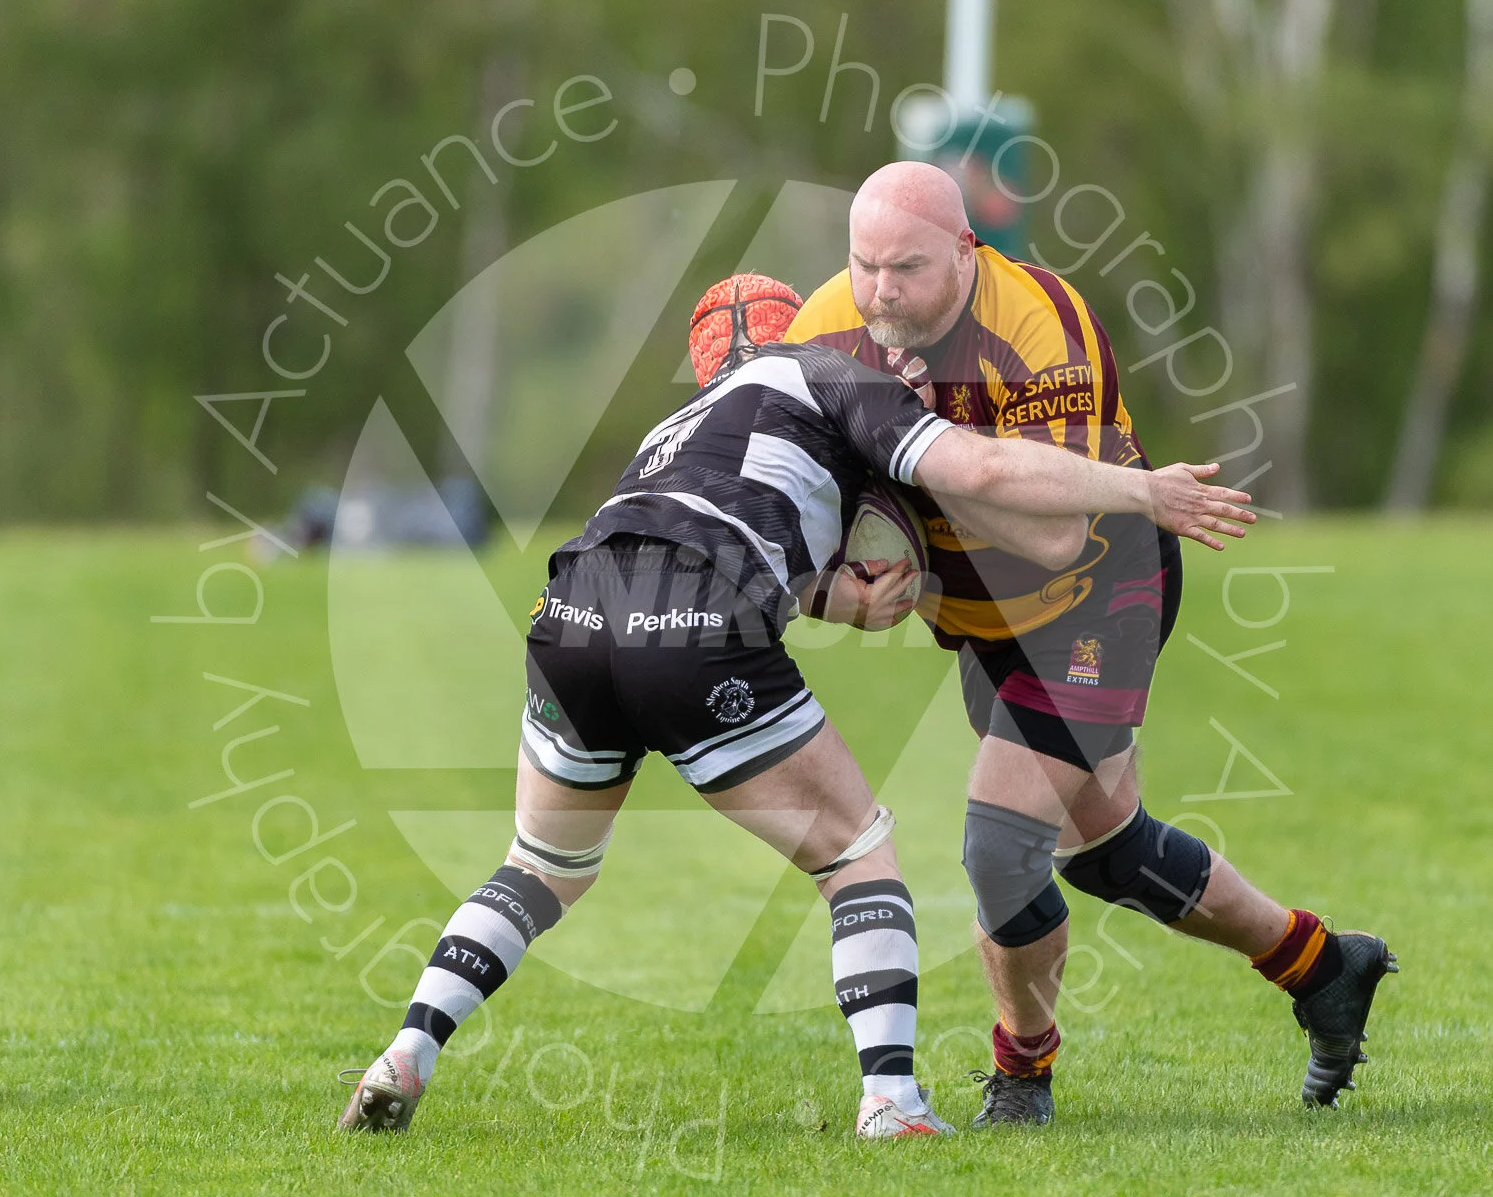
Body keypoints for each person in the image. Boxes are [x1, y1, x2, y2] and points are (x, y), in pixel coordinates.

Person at [337, 271, 1256, 1140]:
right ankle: (892, 1102)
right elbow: (974, 469)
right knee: (858, 855)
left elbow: (724, 522)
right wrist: (1141, 490)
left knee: (540, 866)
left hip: (574, 608)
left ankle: (406, 1052)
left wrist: (831, 595)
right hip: (697, 618)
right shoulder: (839, 375)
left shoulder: (681, 421)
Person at [785, 162, 1395, 1124]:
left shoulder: (1042, 331)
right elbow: (804, 500)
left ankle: (1023, 1067)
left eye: (904, 268)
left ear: (965, 252)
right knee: (1106, 850)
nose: (879, 292)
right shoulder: (824, 329)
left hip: (1093, 594)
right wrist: (838, 584)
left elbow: (1050, 536)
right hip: (983, 621)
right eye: (863, 266)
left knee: (999, 848)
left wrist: (912, 441)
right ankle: (1324, 965)